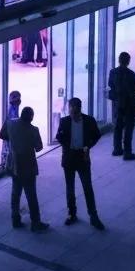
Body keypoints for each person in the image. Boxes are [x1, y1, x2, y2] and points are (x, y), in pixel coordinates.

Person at [55, 97, 104, 229]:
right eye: (71, 112)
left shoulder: (89, 121)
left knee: (87, 187)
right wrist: (67, 146)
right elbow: (59, 137)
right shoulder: (64, 121)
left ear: (80, 109)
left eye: (75, 112)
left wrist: (88, 145)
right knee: (70, 188)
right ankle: (72, 214)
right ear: (69, 109)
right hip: (69, 158)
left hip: (83, 157)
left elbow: (97, 135)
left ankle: (93, 216)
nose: (73, 115)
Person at [0, 105, 49, 232]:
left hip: (14, 165)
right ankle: (35, 223)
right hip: (28, 167)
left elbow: (2, 135)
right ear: (31, 118)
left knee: (16, 193)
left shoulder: (10, 124)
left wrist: (14, 140)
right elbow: (38, 148)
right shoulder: (33, 130)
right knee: (31, 195)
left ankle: (15, 219)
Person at [108, 51, 135, 160]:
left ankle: (117, 149)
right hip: (129, 104)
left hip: (118, 104)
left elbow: (110, 85)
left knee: (118, 127)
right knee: (128, 128)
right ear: (128, 61)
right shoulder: (131, 74)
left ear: (119, 60)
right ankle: (127, 152)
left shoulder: (112, 72)